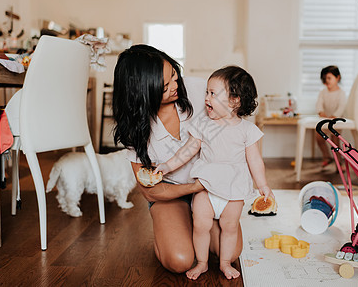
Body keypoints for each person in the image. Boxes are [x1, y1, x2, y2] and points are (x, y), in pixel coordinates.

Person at [111, 45, 244, 274]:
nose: (175, 86)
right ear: (143, 92)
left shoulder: (200, 89)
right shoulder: (136, 128)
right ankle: (174, 226)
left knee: (229, 253)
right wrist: (193, 187)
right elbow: (151, 191)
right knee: (180, 260)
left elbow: (234, 123)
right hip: (171, 193)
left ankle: (193, 220)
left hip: (210, 190)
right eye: (164, 87)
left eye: (174, 74)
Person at [154, 66, 274, 280]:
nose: (206, 98)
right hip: (206, 187)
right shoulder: (203, 124)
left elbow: (255, 161)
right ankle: (201, 263)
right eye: (206, 92)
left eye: (212, 93)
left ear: (234, 100)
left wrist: (263, 186)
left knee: (229, 228)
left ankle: (225, 263)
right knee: (200, 224)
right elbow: (188, 151)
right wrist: (167, 166)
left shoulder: (247, 130)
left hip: (233, 191)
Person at [315, 65, 347, 168]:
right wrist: (321, 112)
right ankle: (326, 156)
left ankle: (339, 163)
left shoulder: (341, 93)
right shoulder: (323, 92)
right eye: (324, 79)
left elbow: (342, 107)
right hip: (325, 120)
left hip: (335, 122)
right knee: (318, 137)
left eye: (329, 78)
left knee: (335, 141)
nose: (326, 81)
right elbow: (319, 104)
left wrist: (335, 116)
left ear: (337, 78)